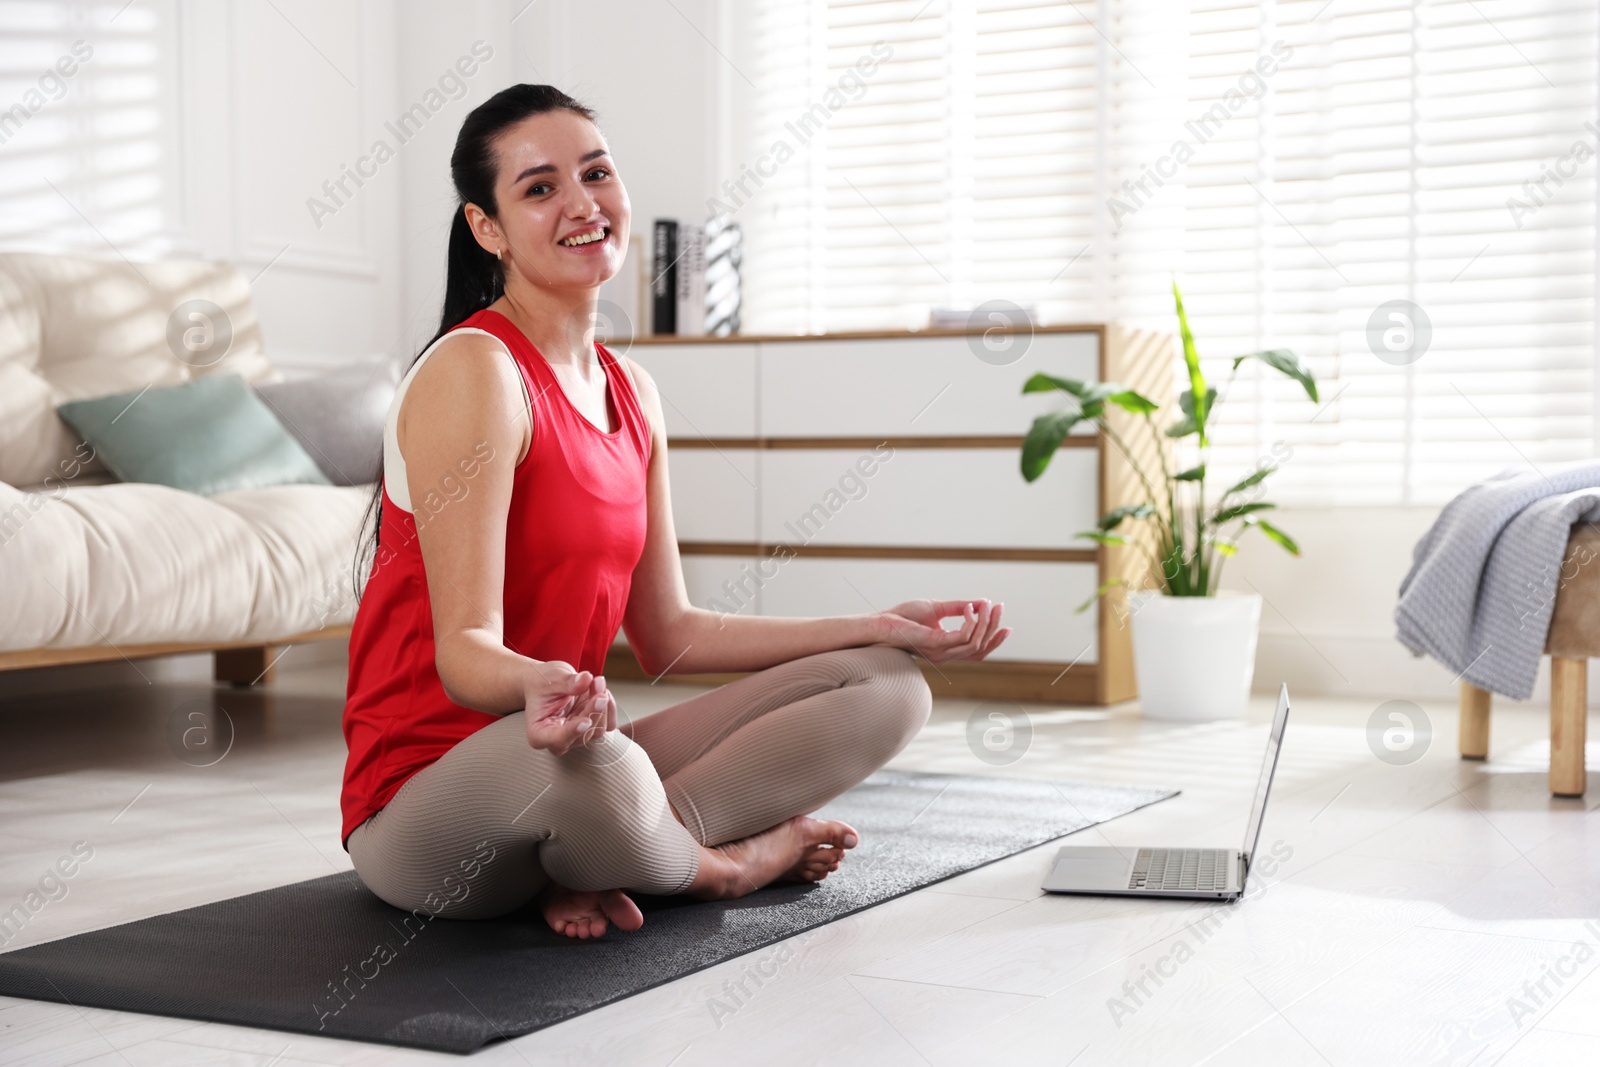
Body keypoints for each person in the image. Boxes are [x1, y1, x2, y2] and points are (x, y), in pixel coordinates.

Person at [340, 84, 1011, 940]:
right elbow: (466, 656)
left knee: (888, 685)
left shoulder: (634, 394)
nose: (583, 205)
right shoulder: (475, 371)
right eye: (540, 188)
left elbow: (672, 633)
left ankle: (608, 856)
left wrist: (883, 623)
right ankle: (724, 865)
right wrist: (538, 683)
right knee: (601, 772)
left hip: (572, 750)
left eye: (597, 173)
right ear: (487, 229)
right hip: (425, 806)